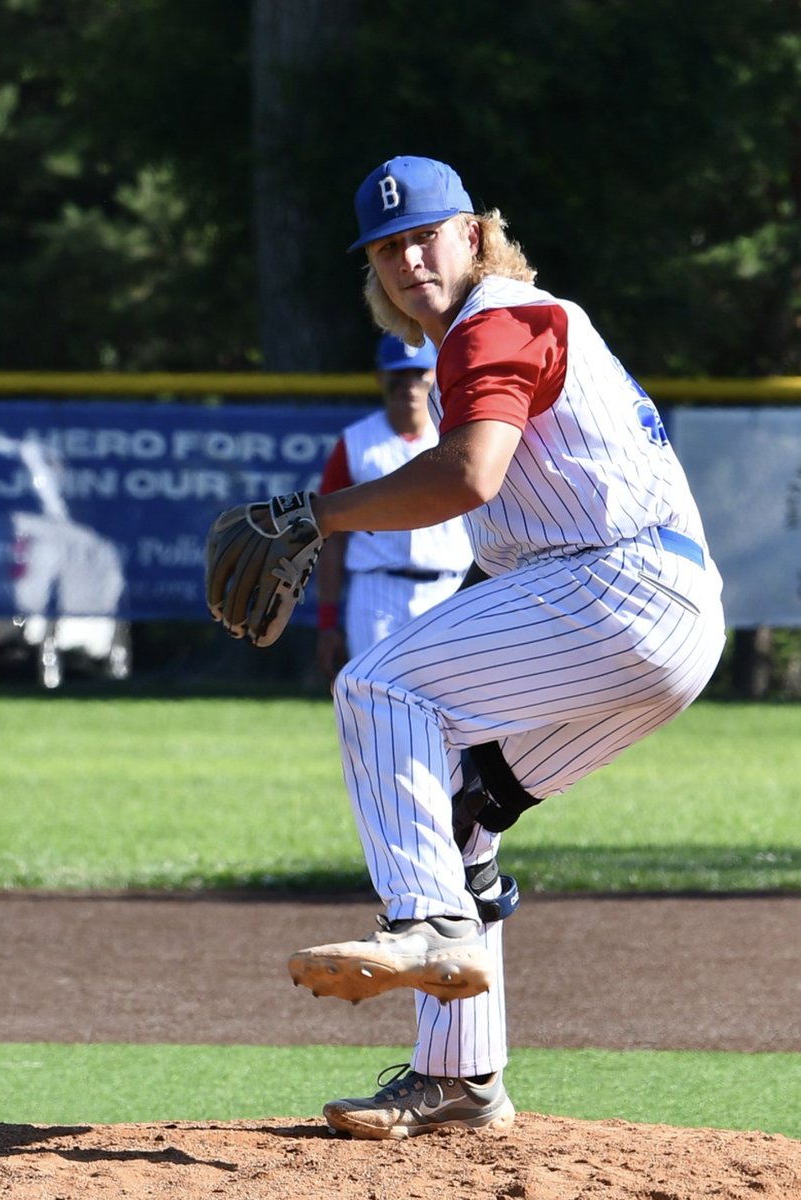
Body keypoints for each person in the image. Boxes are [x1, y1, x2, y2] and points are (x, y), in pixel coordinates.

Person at [287, 155, 725, 1139]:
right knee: (463, 813)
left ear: (475, 235)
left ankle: (424, 923)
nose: (407, 258)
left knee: (376, 688)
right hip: (661, 621)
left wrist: (318, 516)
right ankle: (462, 1079)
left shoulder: (499, 317)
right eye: (387, 248)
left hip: (620, 587)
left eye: (424, 234)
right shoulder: (500, 330)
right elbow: (506, 523)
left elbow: (472, 475)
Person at [315, 333, 474, 683]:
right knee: (374, 703)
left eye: (418, 374)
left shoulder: (461, 436)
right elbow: (330, 536)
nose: (410, 384)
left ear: (435, 375)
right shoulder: (356, 442)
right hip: (376, 592)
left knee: (449, 707)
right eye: (399, 375)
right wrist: (327, 622)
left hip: (450, 588)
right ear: (380, 378)